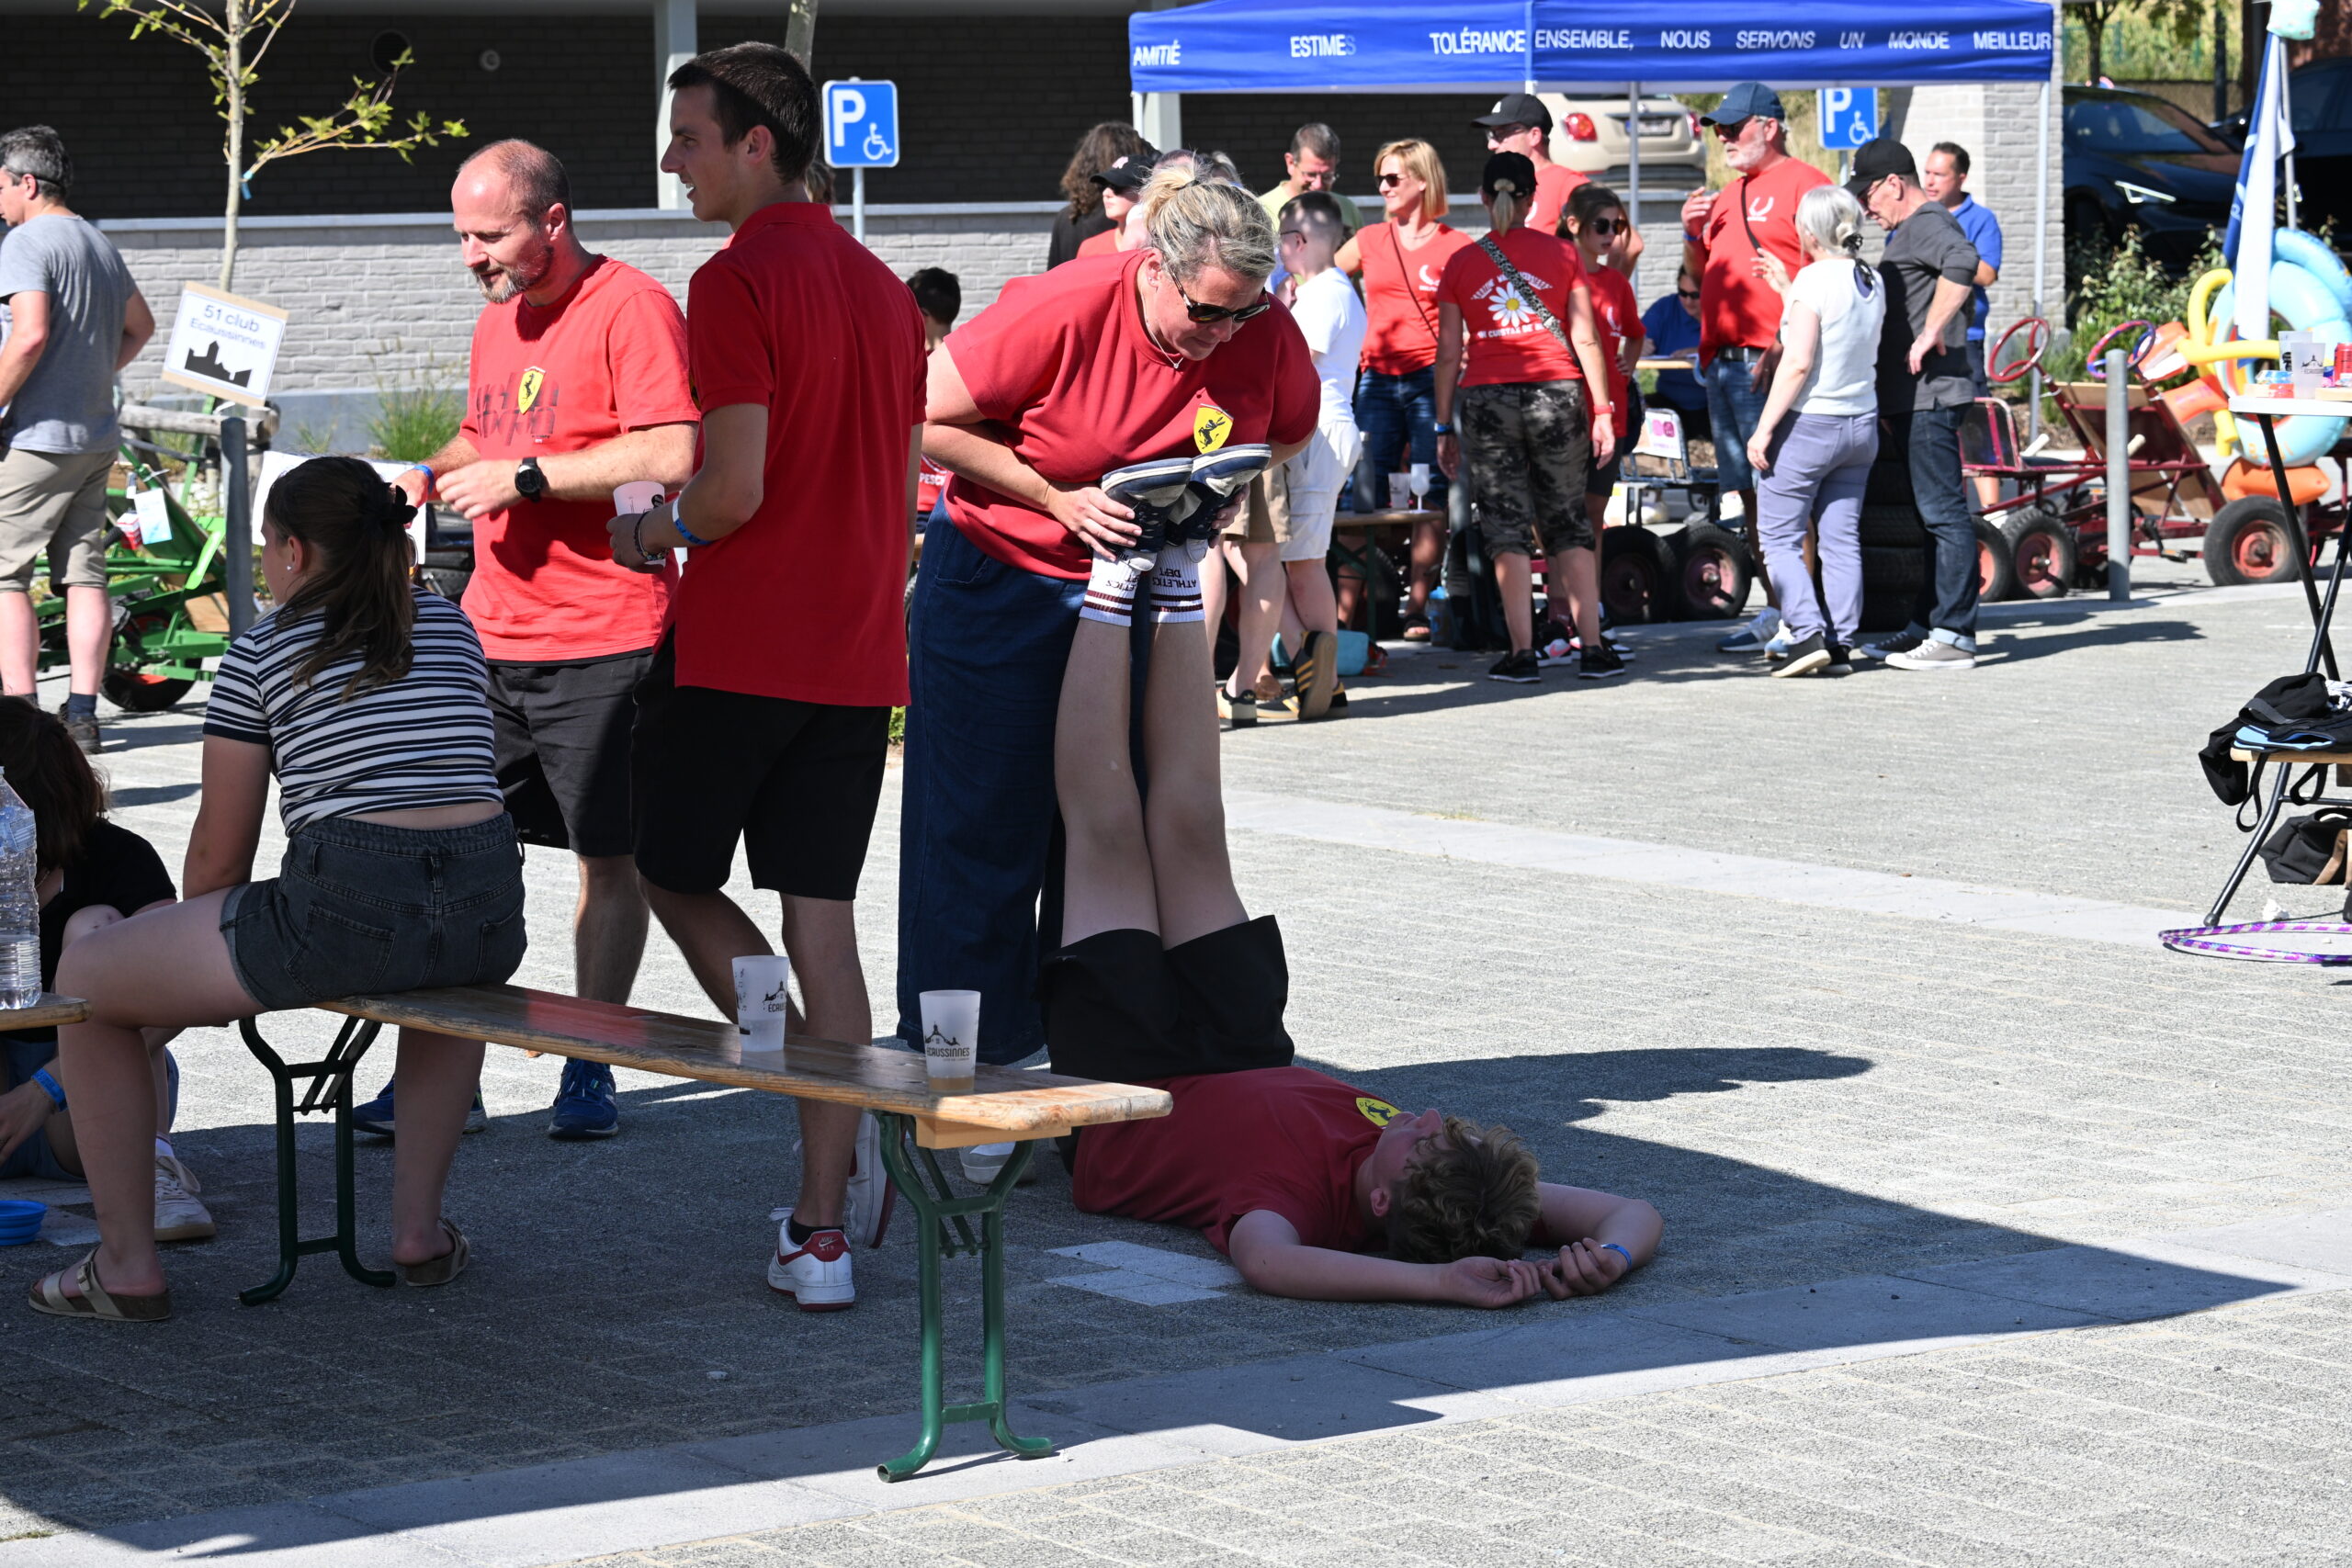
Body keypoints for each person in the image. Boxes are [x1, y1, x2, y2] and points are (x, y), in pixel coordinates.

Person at [1039, 526, 1661, 1303]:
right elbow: (1632, 1211)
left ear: (1381, 1202)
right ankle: (1176, 560)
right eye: (1450, 1128)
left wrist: (1437, 1283)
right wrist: (1612, 1254)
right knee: (1192, 824)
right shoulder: (1463, 1182)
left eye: (1427, 1140)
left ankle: (1112, 573)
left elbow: (1268, 1263)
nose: (1428, 1116)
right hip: (1242, 1051)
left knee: (1108, 830)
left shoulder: (1298, 1204)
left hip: (1126, 1092)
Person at [30, 457, 526, 1322]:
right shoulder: (452, 625)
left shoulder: (264, 647)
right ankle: (418, 1232)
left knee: (89, 981)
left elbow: (221, 856)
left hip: (349, 902)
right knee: (449, 977)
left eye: (265, 546)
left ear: (294, 550)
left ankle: (125, 1265)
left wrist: (179, 960)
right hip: (490, 907)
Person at [609, 43, 926, 1312]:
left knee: (669, 870)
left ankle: (801, 1070)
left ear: (759, 144)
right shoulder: (884, 287)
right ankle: (822, 1222)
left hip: (743, 647)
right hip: (857, 649)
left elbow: (731, 489)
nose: (670, 160)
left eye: (688, 137)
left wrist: (653, 529)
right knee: (822, 915)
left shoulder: (733, 277)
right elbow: (894, 481)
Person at [902, 163, 1317, 1073]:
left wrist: (1218, 486)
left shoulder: (1260, 327)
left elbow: (1288, 428)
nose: (1224, 334)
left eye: (1243, 313)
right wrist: (1056, 497)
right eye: (1206, 313)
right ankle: (964, 1070)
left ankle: (1089, 1060)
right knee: (981, 832)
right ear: (1155, 269)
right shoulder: (1065, 305)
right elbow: (923, 414)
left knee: (1107, 828)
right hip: (1006, 584)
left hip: (1133, 594)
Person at [377, 143, 694, 1143]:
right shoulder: (498, 316)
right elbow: (487, 436)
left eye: (490, 235)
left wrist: (529, 480)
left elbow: (671, 449)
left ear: (551, 220)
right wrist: (427, 475)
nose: (471, 256)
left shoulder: (632, 306)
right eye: (462, 236)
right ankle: (447, 1074)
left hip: (606, 636)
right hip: (490, 633)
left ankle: (590, 1060)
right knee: (458, 851)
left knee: (609, 861)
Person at [0, 700, 207, 1240]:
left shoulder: (118, 856)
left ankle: (151, 1170)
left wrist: (43, 1089)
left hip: (79, 1093)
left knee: (99, 930)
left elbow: (179, 995)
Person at [1432, 152, 1619, 685]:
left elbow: (1448, 354)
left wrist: (1443, 426)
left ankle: (1520, 654)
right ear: (1534, 199)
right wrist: (1602, 411)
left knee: (1505, 527)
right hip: (1557, 394)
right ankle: (1592, 648)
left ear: (1483, 197)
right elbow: (1586, 338)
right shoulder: (1563, 254)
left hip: (1486, 399)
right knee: (1569, 521)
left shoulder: (1461, 263)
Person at [0, 127, 155, 753]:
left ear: (26, 183)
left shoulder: (25, 241)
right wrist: (89, 375)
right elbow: (141, 327)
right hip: (94, 436)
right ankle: (84, 717)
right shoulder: (98, 242)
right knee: (85, 574)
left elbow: (30, 334)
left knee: (4, 577)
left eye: (0, 186)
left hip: (35, 439)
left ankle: (18, 722)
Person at [1679, 84, 1830, 658]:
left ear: (1769, 127)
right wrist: (1690, 233)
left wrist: (1786, 341)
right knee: (1750, 498)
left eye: (1734, 126)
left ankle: (1802, 618)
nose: (1723, 137)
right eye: (1718, 128)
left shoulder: (1807, 184)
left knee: (1784, 494)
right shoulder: (1725, 196)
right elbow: (1701, 275)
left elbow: (1831, 273)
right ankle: (1778, 609)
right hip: (1724, 364)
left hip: (1770, 364)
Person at [1213, 193, 1363, 725]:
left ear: (1297, 242)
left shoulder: (1325, 294)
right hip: (1318, 430)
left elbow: (1295, 362)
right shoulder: (1326, 290)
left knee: (1303, 561)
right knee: (1281, 556)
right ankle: (1313, 667)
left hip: (1319, 432)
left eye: (1281, 241)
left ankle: (1324, 676)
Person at [1847, 137, 1983, 673]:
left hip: (1931, 398)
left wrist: (1931, 332)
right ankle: (1925, 628)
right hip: (1911, 400)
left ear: (1893, 184)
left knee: (1944, 516)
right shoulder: (1908, 232)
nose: (1866, 208)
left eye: (1868, 195)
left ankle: (1955, 636)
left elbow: (1964, 260)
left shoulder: (1926, 223)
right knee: (1930, 519)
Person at [1745, 186, 1885, 678]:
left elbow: (1799, 360)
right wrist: (1788, 290)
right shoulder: (1870, 278)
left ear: (1807, 232)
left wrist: (1764, 429)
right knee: (1841, 540)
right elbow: (1835, 328)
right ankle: (1841, 643)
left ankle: (1806, 634)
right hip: (1860, 423)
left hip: (1811, 425)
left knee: (1778, 537)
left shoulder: (1813, 280)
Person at [1334, 139, 1469, 640]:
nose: (1383, 187)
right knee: (1361, 494)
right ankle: (1343, 617)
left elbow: (1480, 307)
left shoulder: (1456, 246)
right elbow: (1319, 280)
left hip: (1431, 381)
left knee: (1429, 493)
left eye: (1393, 178)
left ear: (1423, 181)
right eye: (1380, 178)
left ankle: (1416, 609)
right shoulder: (1370, 239)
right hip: (1376, 380)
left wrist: (1471, 349)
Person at [1564, 183, 1645, 649]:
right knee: (1561, 516)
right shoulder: (1557, 276)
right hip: (1564, 413)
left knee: (1593, 515)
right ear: (1574, 224)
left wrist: (1628, 365)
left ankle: (1591, 610)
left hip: (1609, 415)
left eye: (1618, 226)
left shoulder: (1616, 282)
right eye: (1602, 225)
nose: (1611, 235)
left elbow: (1634, 333)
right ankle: (1564, 610)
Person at [1923, 143, 2002, 395]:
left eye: (1939, 175)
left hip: (1964, 336)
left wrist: (1940, 253)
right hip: (1919, 333)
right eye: (1927, 173)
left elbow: (1987, 275)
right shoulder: (1916, 217)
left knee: (1973, 410)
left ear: (1961, 178)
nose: (1929, 182)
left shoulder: (1981, 219)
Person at [1048, 121, 1151, 269]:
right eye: (1106, 185)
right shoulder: (1116, 216)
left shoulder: (1066, 216)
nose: (1107, 193)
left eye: (1117, 186)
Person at [908, 267, 961, 530]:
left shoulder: (912, 366)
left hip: (917, 501)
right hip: (954, 499)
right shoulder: (965, 361)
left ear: (922, 314)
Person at [1640, 267, 1711, 440]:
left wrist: (1701, 351)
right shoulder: (1665, 308)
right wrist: (1639, 344)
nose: (1688, 301)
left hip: (1713, 403)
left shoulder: (1723, 311)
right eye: (1682, 293)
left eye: (1695, 295)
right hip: (1669, 400)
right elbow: (1638, 337)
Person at [1257, 124, 1363, 236]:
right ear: (1290, 163)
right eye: (1310, 174)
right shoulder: (1261, 210)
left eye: (1327, 176)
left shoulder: (1347, 208)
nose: (1318, 185)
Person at [1073, 152, 1154, 261]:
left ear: (1147, 191)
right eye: (1104, 186)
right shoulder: (1089, 248)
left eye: (1116, 186)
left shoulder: (1163, 249)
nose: (1106, 193)